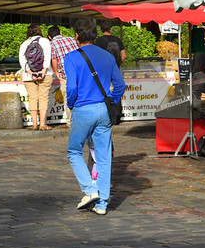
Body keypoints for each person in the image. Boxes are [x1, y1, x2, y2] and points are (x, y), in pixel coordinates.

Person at [64, 26, 126, 215]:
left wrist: (71, 103)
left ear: (77, 36)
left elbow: (72, 88)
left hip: (83, 108)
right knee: (104, 156)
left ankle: (90, 190)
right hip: (104, 109)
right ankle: (102, 203)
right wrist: (112, 101)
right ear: (94, 36)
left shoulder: (72, 57)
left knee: (74, 150)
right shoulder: (107, 56)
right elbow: (120, 85)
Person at [18, 25, 53, 131]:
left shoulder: (24, 44)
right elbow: (48, 55)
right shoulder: (45, 41)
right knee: (43, 98)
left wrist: (30, 72)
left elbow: (22, 60)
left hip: (29, 76)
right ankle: (43, 124)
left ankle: (34, 124)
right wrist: (43, 71)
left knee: (32, 98)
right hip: (45, 74)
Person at [48, 24, 79, 105]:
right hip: (78, 73)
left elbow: (54, 59)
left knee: (68, 100)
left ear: (49, 37)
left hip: (64, 75)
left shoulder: (51, 44)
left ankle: (70, 117)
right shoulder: (71, 39)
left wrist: (56, 72)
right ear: (60, 33)